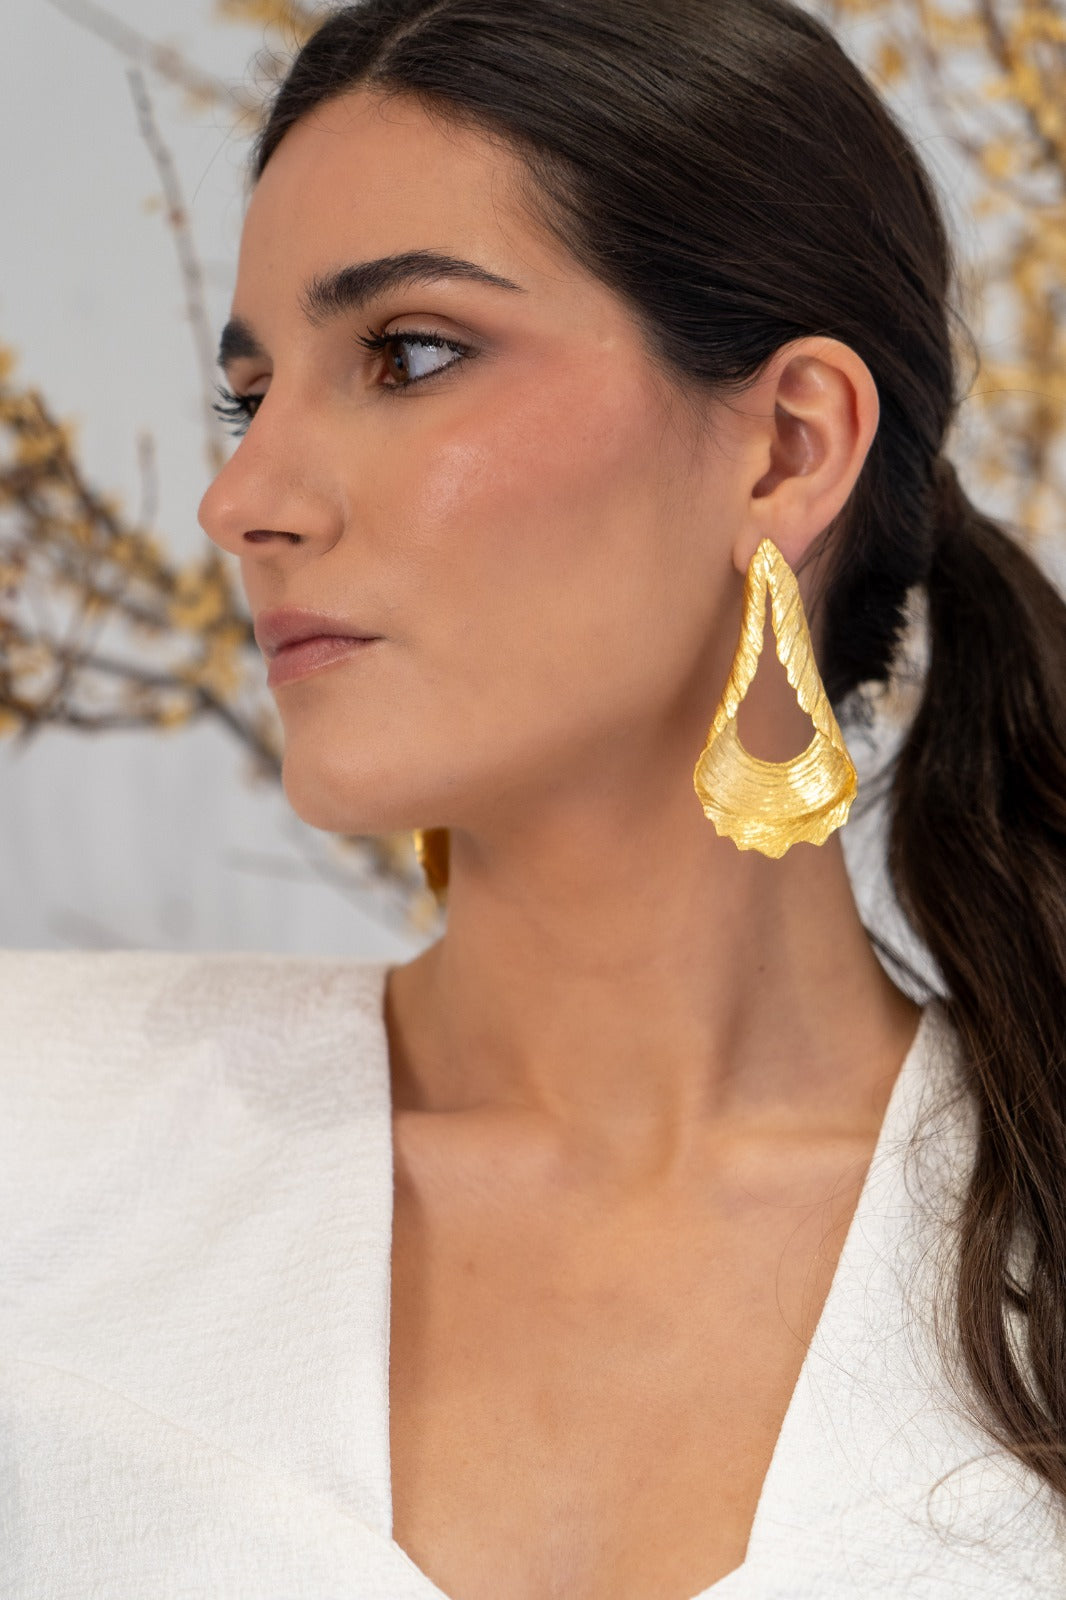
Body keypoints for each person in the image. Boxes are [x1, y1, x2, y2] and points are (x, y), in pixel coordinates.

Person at [2, 0, 1065, 1595]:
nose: (242, 498)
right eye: (249, 394)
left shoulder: (1026, 1216)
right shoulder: (39, 1138)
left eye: (408, 353)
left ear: (787, 449)